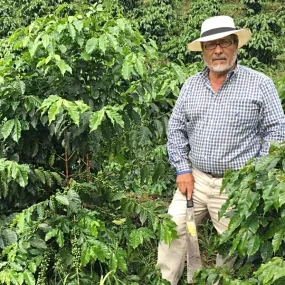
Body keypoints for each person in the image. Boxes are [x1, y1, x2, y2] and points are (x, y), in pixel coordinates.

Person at [157, 15, 285, 285]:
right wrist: (182, 168)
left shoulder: (260, 84)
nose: (217, 50)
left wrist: (253, 175)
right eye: (210, 45)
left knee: (231, 248)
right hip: (195, 178)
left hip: (236, 184)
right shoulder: (191, 85)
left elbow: (277, 132)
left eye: (224, 43)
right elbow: (176, 128)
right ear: (202, 50)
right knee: (173, 229)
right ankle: (166, 280)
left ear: (235, 44)